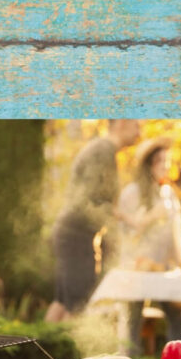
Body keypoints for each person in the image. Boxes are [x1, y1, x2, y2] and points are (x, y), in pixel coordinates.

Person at [45, 119, 142, 322]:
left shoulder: (104, 150)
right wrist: (128, 220)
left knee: (63, 301)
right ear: (121, 123)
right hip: (77, 235)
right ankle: (66, 352)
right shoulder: (103, 150)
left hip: (71, 233)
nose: (139, 131)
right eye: (136, 125)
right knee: (77, 307)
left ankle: (44, 350)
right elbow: (91, 199)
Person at [116, 137, 181, 355]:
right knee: (133, 318)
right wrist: (150, 217)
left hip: (163, 267)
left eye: (167, 161)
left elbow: (177, 230)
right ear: (148, 164)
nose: (165, 166)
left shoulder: (168, 193)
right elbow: (126, 232)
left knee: (177, 315)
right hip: (138, 266)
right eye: (160, 161)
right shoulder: (132, 192)